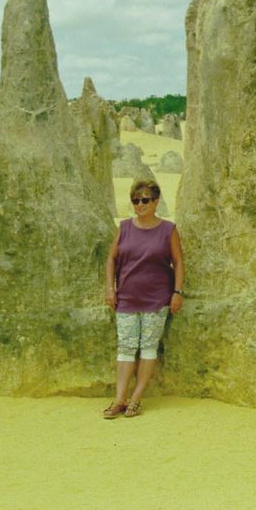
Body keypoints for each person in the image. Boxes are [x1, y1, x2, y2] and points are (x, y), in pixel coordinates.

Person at [102, 179, 184, 419]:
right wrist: (110, 288)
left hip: (157, 300)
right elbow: (111, 259)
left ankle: (136, 399)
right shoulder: (125, 228)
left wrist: (177, 292)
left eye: (145, 200)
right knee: (126, 348)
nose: (140, 205)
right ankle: (119, 399)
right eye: (136, 201)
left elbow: (178, 262)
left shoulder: (168, 230)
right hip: (126, 298)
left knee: (148, 347)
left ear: (156, 202)